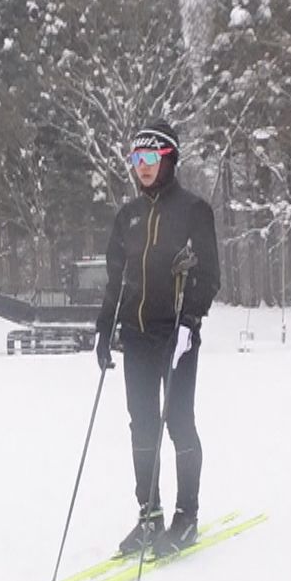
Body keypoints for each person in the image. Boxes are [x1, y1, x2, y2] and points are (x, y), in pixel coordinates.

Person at [94, 122, 220, 557]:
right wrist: (103, 327)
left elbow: (209, 275)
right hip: (138, 336)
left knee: (178, 421)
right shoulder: (127, 216)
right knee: (141, 425)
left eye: (150, 159)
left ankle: (187, 516)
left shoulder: (193, 210)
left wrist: (192, 321)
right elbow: (116, 278)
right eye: (136, 159)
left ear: (168, 160)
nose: (142, 167)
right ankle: (149, 515)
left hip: (178, 335)